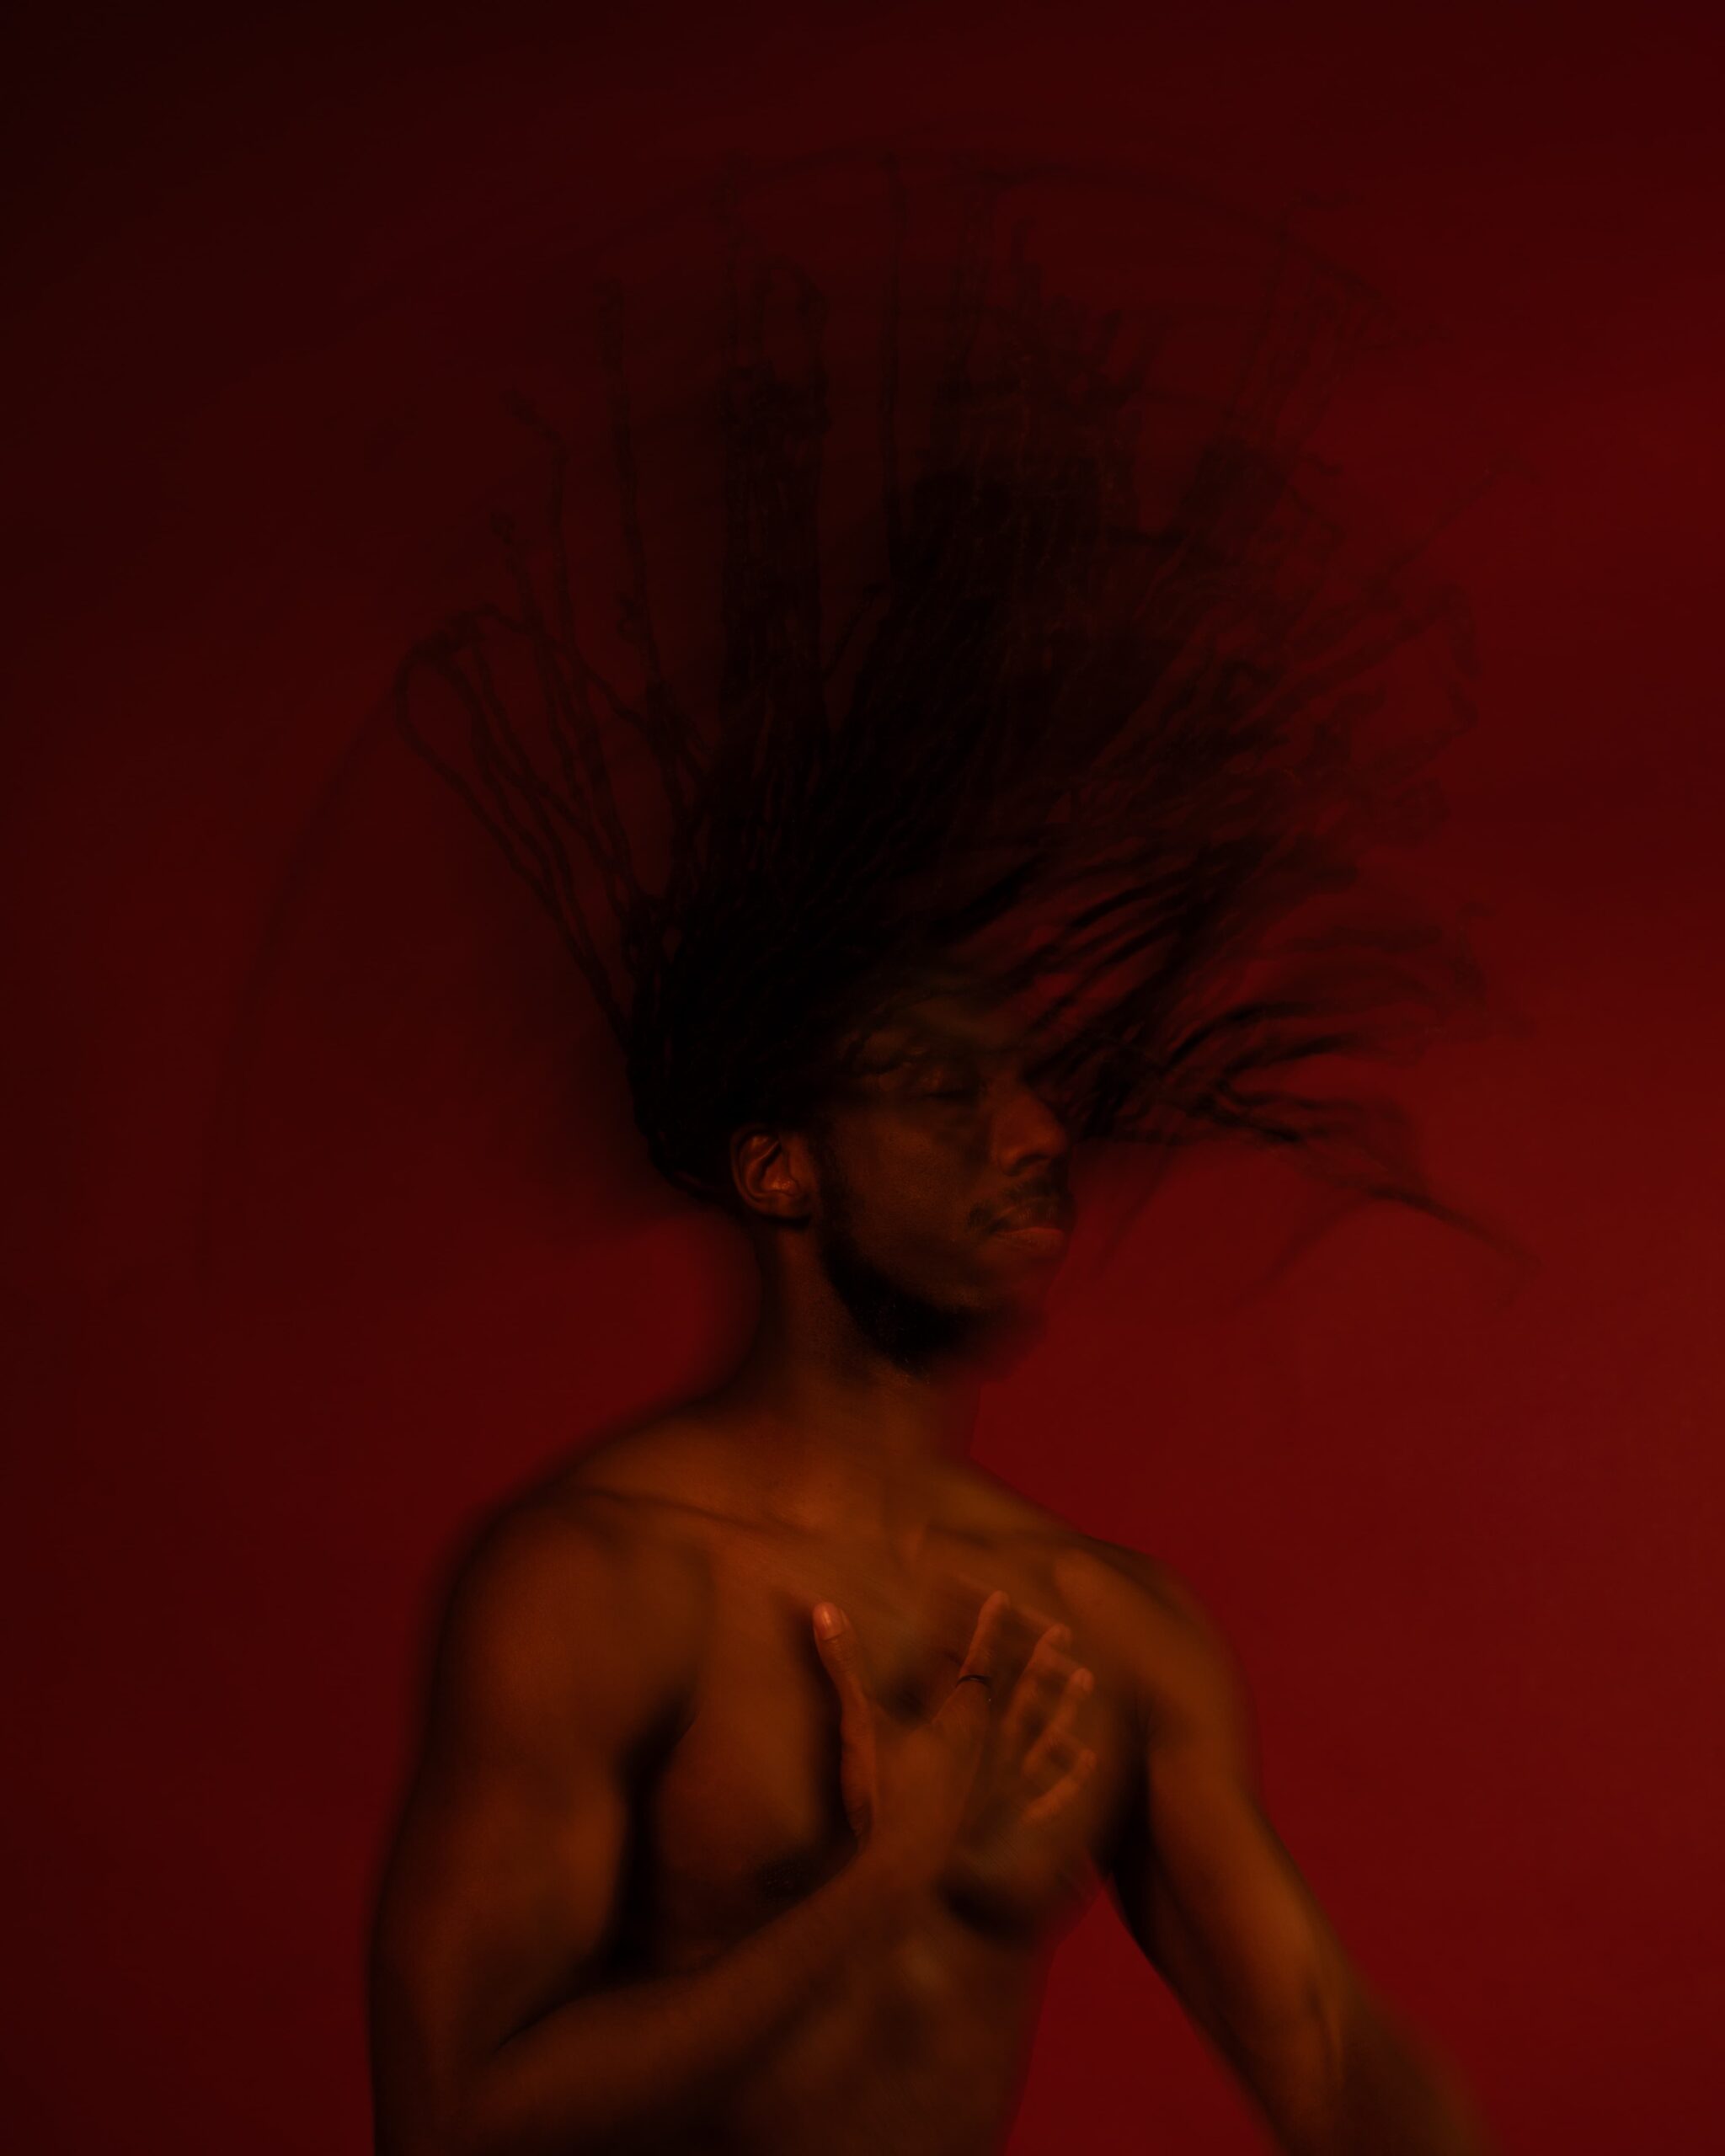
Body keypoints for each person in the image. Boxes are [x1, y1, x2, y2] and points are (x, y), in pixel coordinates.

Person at [370, 165, 1493, 2153]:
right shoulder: (593, 1585)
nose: (1033, 1136)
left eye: (1033, 1087)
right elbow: (447, 2123)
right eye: (940, 1091)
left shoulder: (1108, 1626)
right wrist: (877, 1882)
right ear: (778, 1168)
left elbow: (1326, 2051)